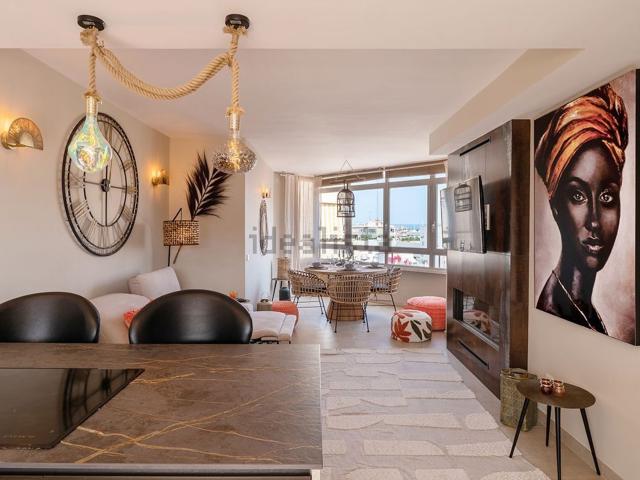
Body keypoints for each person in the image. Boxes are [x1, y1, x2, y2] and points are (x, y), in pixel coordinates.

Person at [535, 84, 628, 334]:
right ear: (555, 206)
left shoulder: (584, 312)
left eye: (607, 196)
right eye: (577, 195)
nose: (594, 222)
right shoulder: (554, 308)